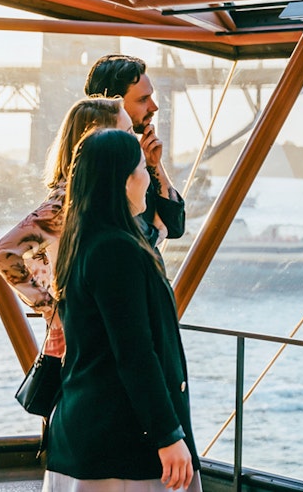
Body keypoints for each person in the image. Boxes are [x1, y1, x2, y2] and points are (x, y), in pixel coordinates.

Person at [44, 128, 199, 491]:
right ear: (124, 180)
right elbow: (134, 353)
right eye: (143, 168)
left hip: (84, 434)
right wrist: (167, 434)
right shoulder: (118, 250)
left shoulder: (83, 242)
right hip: (121, 444)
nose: (148, 177)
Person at [0, 96, 132, 356]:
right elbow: (2, 253)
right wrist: (52, 310)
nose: (135, 141)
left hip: (89, 337)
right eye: (128, 132)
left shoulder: (88, 194)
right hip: (79, 343)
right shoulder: (68, 200)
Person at [85, 54, 185, 249]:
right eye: (143, 99)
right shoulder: (95, 170)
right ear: (113, 105)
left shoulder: (135, 162)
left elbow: (175, 226)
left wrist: (154, 164)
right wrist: (158, 231)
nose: (154, 107)